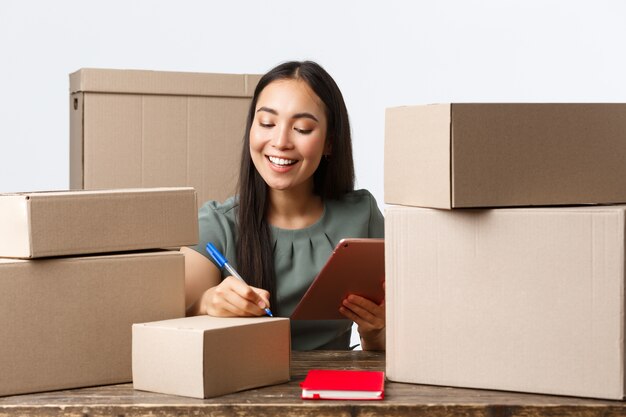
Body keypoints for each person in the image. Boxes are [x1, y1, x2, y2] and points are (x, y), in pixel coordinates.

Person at [181, 60, 385, 351]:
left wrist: (376, 331)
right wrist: (205, 303)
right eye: (267, 123)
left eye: (301, 128)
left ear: (329, 143)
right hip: (243, 387)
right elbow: (161, 314)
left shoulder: (361, 216)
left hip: (333, 387)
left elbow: (401, 337)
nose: (280, 141)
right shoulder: (217, 224)